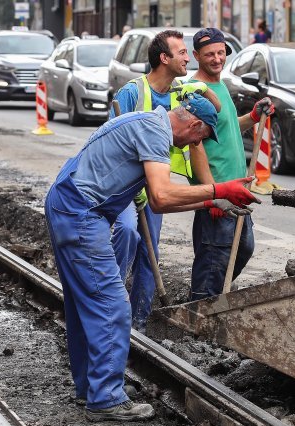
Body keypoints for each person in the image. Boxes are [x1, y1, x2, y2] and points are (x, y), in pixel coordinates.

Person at [45, 93, 258, 422]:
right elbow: (161, 194)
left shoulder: (146, 122)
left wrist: (210, 203)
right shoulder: (156, 133)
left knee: (84, 303)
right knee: (112, 305)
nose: (192, 146)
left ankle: (91, 388)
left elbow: (158, 203)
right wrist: (219, 190)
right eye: (199, 138)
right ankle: (104, 398)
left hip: (68, 204)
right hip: (82, 213)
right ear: (195, 125)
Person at [110, 29, 216, 331]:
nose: (187, 56)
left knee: (150, 251)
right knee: (128, 232)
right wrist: (131, 188)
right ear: (163, 58)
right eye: (181, 52)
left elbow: (214, 114)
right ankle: (110, 307)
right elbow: (112, 140)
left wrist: (200, 89)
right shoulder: (132, 92)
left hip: (156, 185)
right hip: (123, 186)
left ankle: (139, 324)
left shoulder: (180, 94)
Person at [183, 28, 274, 300]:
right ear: (197, 56)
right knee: (214, 259)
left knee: (242, 248)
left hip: (237, 191)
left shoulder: (219, 86)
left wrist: (254, 116)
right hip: (219, 192)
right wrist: (211, 194)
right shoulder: (195, 92)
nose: (217, 59)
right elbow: (194, 145)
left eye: (221, 53)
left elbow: (225, 128)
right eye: (209, 54)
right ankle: (199, 311)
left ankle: (215, 297)